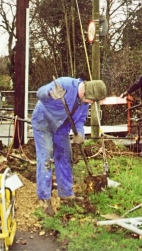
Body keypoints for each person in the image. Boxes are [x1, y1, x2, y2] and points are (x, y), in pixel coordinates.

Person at [31, 77, 107, 216]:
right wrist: (51, 93)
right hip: (44, 122)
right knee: (46, 156)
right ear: (84, 90)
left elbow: (81, 119)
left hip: (61, 128)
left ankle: (66, 194)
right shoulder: (66, 84)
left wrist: (80, 133)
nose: (90, 103)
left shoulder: (84, 102)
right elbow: (40, 93)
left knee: (66, 157)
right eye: (90, 100)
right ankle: (44, 198)